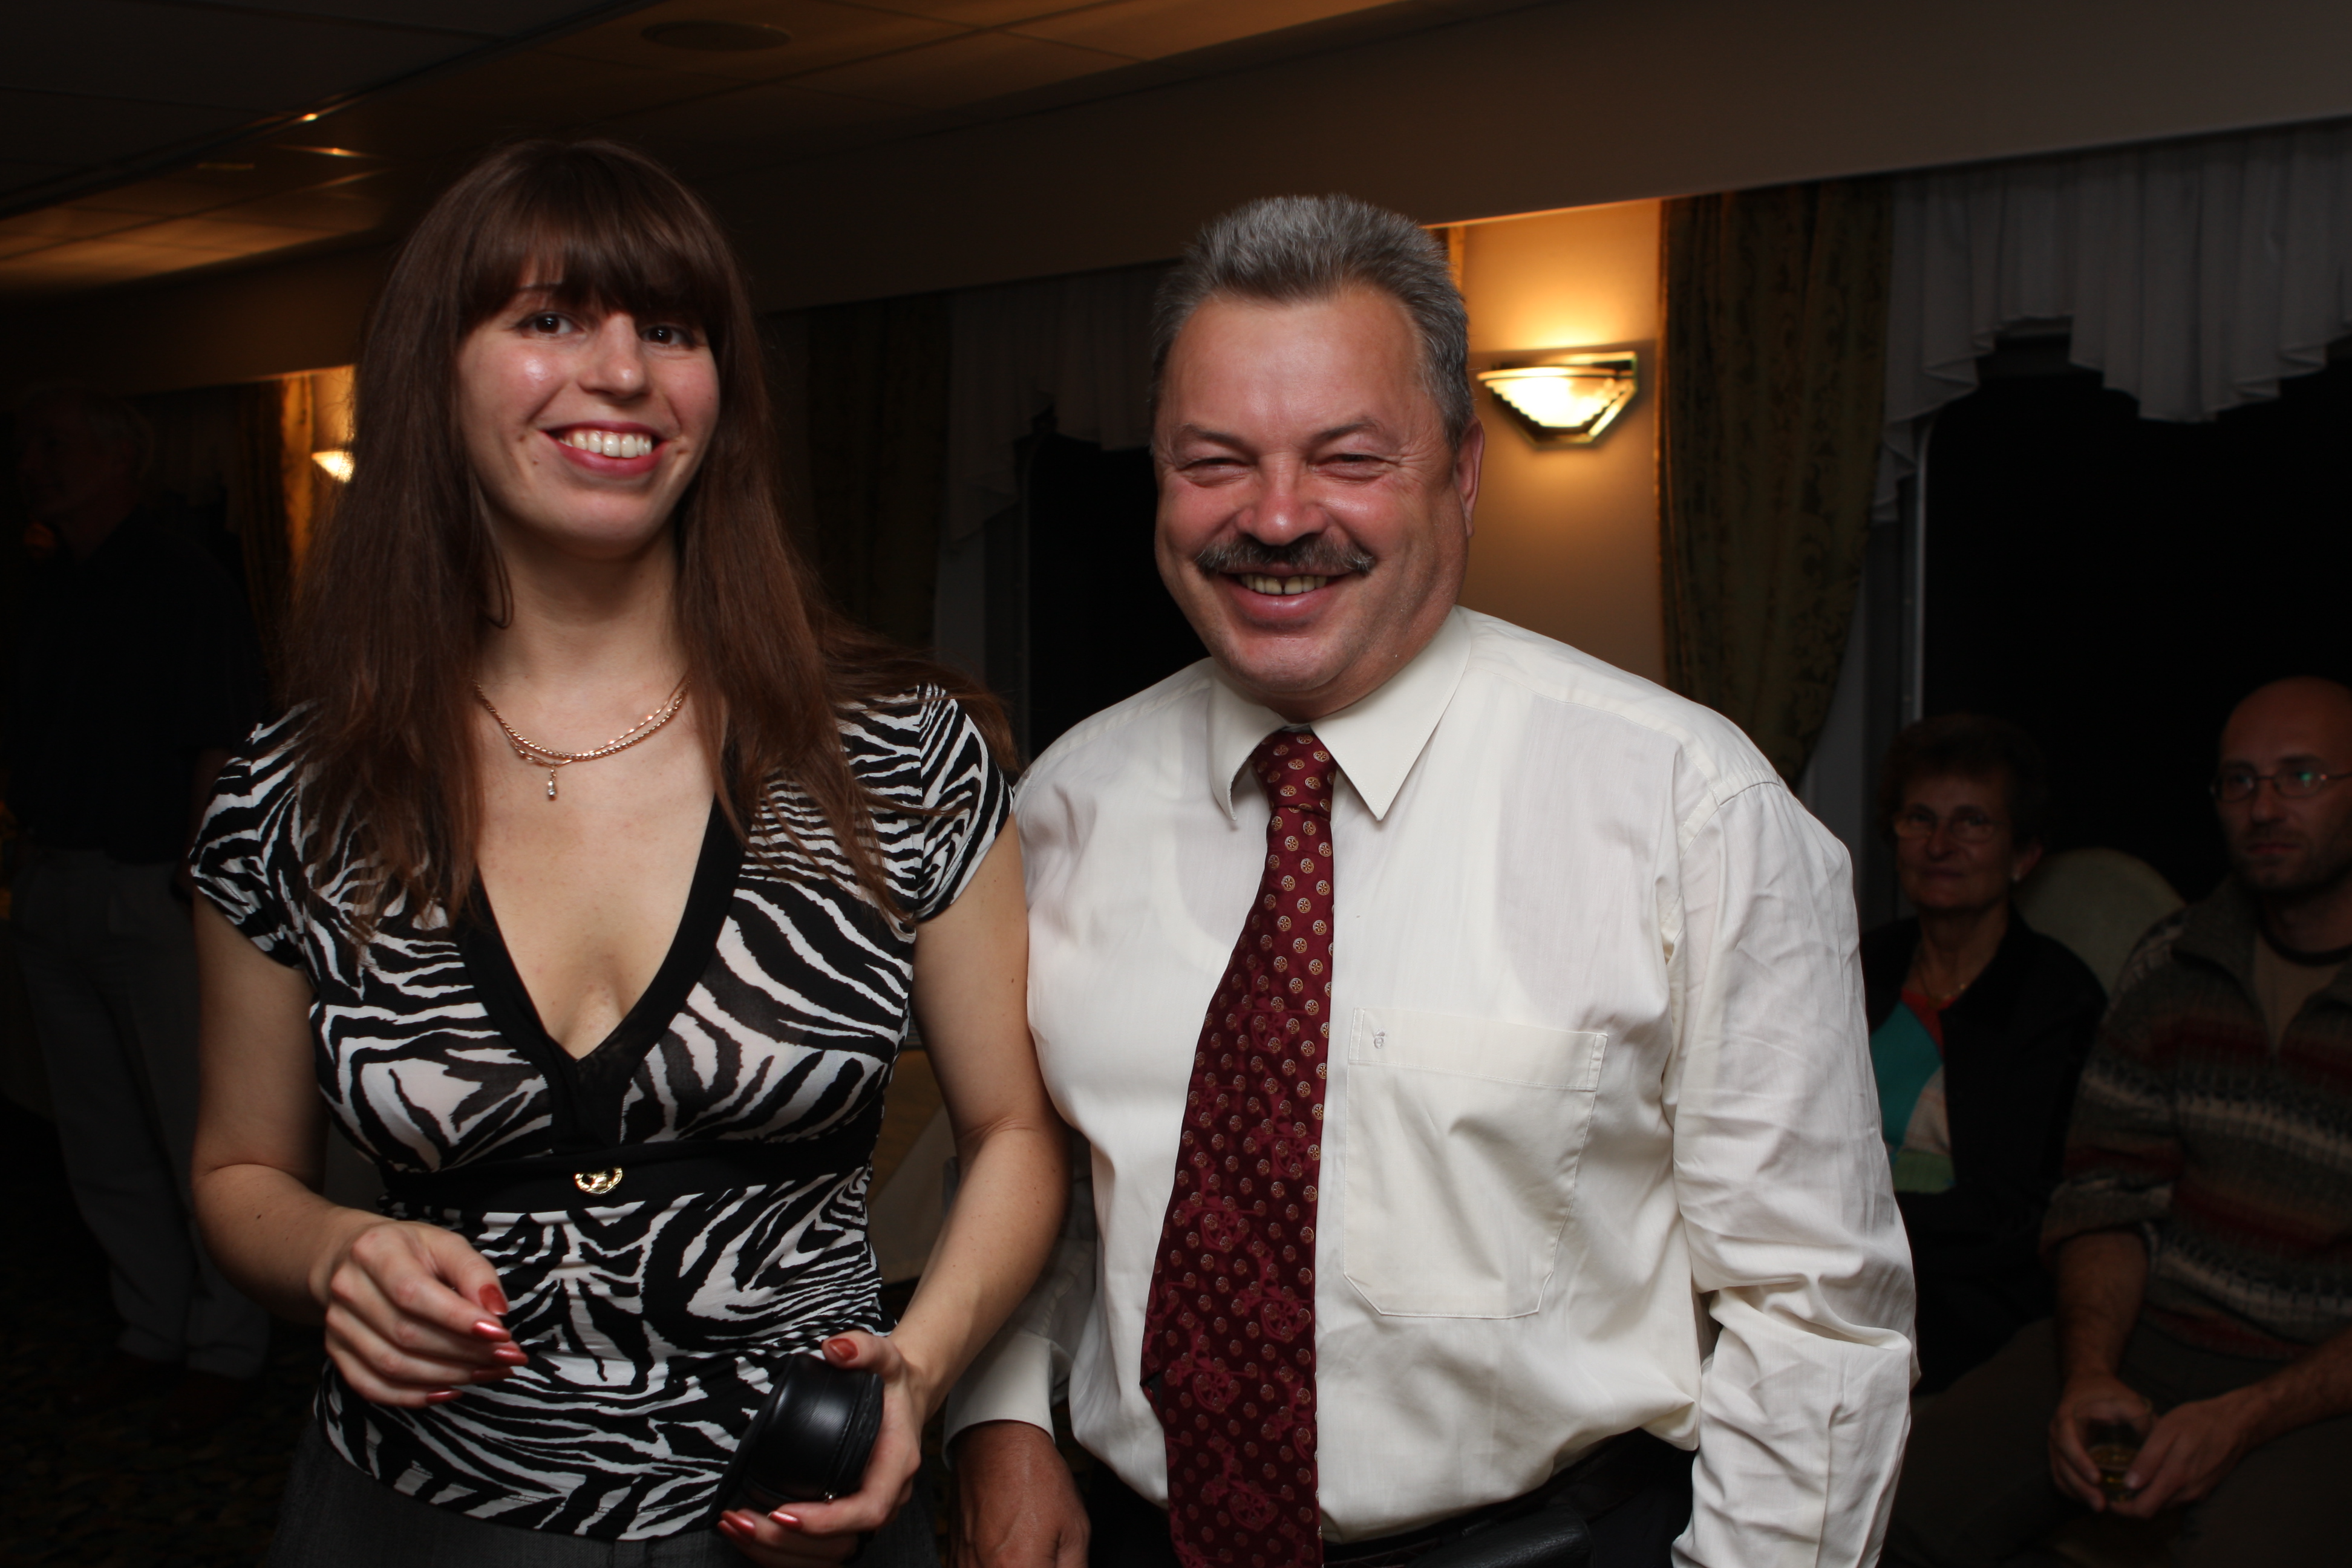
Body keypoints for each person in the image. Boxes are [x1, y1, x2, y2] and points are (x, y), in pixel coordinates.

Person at [944, 195, 1915, 1568]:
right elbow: (1026, 1169)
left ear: (1461, 471)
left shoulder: (1687, 808)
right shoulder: (1063, 808)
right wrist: (999, 1414)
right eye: (1215, 462)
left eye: (1347, 458)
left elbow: (1814, 1313)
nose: (1277, 517)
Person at [185, 140, 1067, 1567]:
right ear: (434, 375)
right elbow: (238, 1169)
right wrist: (335, 1252)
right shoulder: (295, 795)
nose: (622, 373)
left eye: (670, 329)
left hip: (809, 1512)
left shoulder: (901, 757)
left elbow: (1016, 1134)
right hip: (424, 1520)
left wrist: (917, 1371)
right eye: (548, 319)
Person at [1886, 677, 2352, 1567]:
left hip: (2319, 1376)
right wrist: (2093, 1369)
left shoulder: (2050, 992)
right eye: (2239, 781)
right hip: (2146, 1332)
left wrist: (2245, 1417)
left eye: (2301, 777)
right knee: (1889, 1507)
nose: (2263, 807)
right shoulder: (2174, 962)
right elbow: (2106, 1192)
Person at [7, 384, 270, 1436]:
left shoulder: (180, 579)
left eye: (54, 440)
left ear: (120, 456)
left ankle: (226, 1344)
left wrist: (193, 883)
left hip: (149, 886)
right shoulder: (45, 589)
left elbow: (224, 736)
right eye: (27, 444)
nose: (33, 461)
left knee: (195, 1127)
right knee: (100, 1133)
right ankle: (149, 1327)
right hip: (54, 878)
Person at [1863, 715, 2105, 1395]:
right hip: (1835, 1266)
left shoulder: (2058, 998)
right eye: (1920, 819)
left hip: (1968, 1300)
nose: (1940, 844)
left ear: (2024, 854)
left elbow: (2015, 1213)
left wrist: (1854, 1228)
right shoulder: (1861, 963)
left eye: (1972, 823)